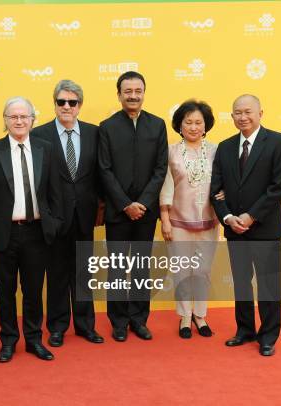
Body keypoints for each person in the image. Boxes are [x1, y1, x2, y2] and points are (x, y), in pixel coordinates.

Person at [0, 97, 63, 363]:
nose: (20, 121)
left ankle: (34, 340)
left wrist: (54, 224)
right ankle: (9, 340)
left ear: (33, 120)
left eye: (25, 116)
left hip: (37, 232)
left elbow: (55, 192)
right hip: (3, 233)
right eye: (14, 117)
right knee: (5, 291)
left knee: (34, 291)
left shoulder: (46, 149)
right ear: (5, 120)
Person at [210, 94, 281, 356]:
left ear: (260, 113)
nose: (242, 117)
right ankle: (244, 329)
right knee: (241, 282)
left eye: (247, 112)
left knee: (268, 284)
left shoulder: (278, 142)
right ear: (231, 116)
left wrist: (251, 216)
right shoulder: (224, 147)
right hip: (235, 229)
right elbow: (216, 190)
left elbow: (278, 187)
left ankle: (268, 336)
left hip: (265, 228)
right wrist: (228, 217)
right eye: (237, 113)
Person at [31, 80, 104, 347]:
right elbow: (36, 181)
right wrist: (46, 215)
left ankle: (86, 326)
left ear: (79, 106)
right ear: (55, 103)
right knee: (58, 274)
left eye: (72, 102)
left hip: (85, 214)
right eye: (61, 101)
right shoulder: (39, 135)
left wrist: (100, 209)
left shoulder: (95, 133)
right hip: (54, 217)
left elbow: (101, 174)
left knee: (84, 273)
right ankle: (58, 326)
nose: (66, 107)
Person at [98, 71, 168, 342]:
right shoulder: (107, 127)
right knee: (116, 267)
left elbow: (161, 169)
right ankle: (118, 321)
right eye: (127, 91)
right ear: (118, 94)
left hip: (146, 212)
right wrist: (126, 204)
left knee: (141, 267)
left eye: (138, 90)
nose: (133, 95)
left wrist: (143, 203)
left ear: (144, 93)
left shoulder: (157, 125)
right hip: (118, 211)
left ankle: (139, 319)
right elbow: (104, 170)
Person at [159, 100, 221, 339]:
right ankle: (185, 316)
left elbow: (225, 181)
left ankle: (200, 315)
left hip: (209, 221)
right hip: (177, 221)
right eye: (188, 122)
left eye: (198, 122)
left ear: (206, 126)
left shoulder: (217, 151)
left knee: (203, 270)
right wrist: (164, 218)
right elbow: (166, 186)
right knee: (183, 271)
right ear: (179, 125)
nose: (193, 127)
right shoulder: (171, 152)